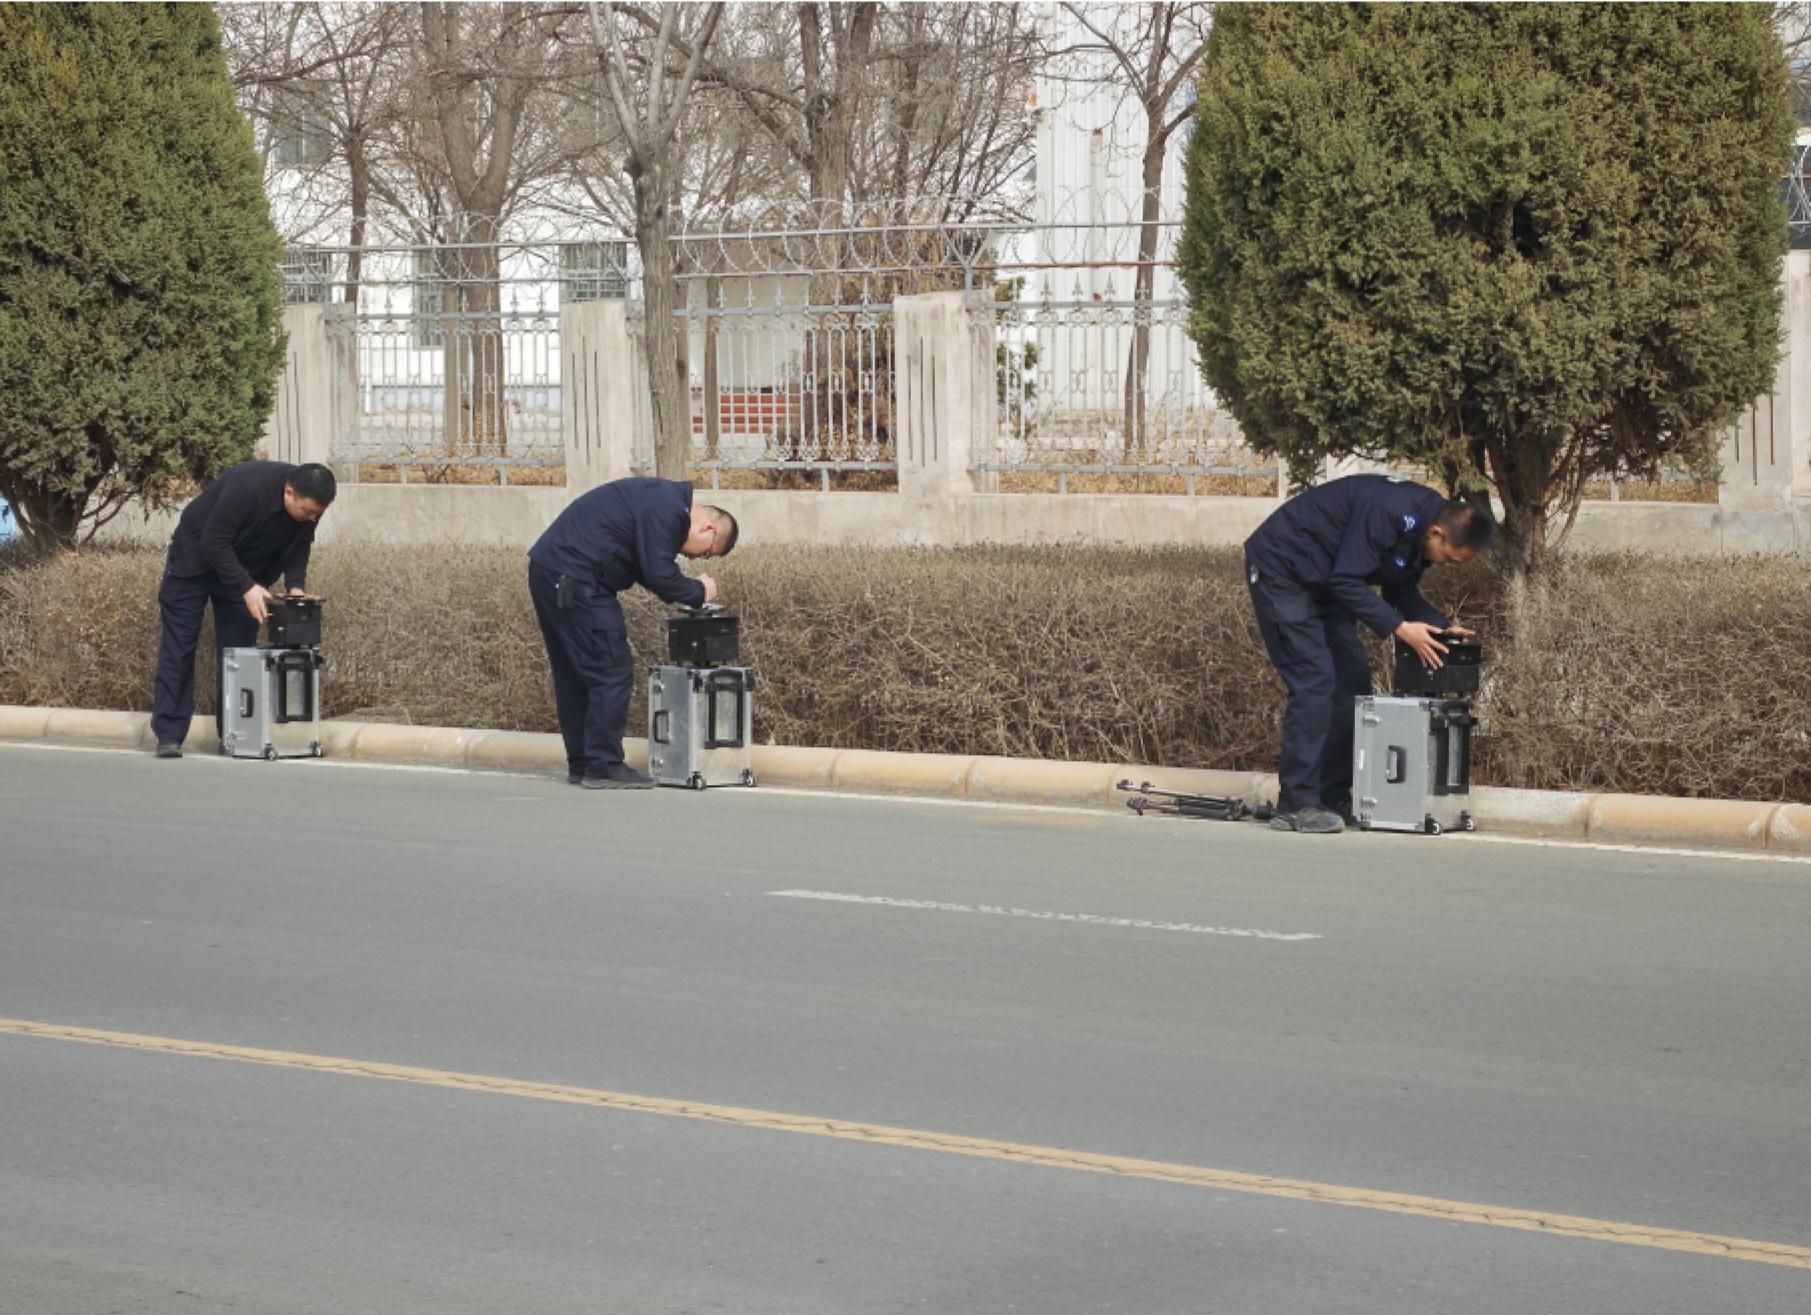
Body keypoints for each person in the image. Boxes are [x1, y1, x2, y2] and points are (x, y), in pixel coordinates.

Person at [1244, 473, 1496, 834]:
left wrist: (1441, 627)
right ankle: (1296, 804)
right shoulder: (1389, 512)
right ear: (1437, 534)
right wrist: (1400, 628)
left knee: (1353, 679)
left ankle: (1331, 795)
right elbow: (1347, 580)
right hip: (1283, 571)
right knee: (1315, 680)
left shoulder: (1421, 524)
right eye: (1449, 559)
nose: (1445, 565)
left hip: (1325, 582)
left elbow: (1399, 591)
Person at [528, 477, 738, 789]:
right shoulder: (669, 510)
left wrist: (685, 590)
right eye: (707, 552)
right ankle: (604, 765)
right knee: (611, 669)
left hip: (552, 571)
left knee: (575, 674)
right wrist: (698, 590)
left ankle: (584, 762)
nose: (695, 558)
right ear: (709, 528)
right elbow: (659, 573)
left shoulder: (661, 501)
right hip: (577, 579)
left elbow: (647, 568)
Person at [150, 460, 336, 758]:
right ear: (288, 492)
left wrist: (296, 588)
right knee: (179, 647)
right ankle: (169, 734)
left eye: (317, 514)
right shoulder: (247, 486)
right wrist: (246, 587)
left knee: (239, 655)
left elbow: (300, 545)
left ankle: (235, 735)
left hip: (247, 571)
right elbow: (214, 541)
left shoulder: (310, 503)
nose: (312, 518)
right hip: (194, 562)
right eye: (307, 511)